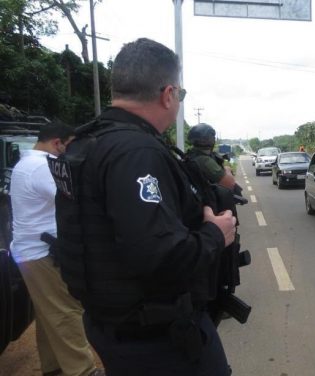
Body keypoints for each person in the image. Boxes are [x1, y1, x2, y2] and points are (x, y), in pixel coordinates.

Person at [52, 38, 236, 375]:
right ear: (168, 95)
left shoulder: (87, 142)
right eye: (179, 96)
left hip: (111, 322)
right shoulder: (136, 153)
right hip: (156, 336)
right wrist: (215, 234)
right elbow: (161, 257)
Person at [10, 123, 103, 376]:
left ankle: (55, 367)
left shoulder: (25, 163)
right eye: (68, 146)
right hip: (42, 252)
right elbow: (72, 201)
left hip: (31, 252)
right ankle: (82, 371)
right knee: (67, 311)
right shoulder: (42, 166)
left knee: (48, 312)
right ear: (57, 143)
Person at [186, 123, 236, 190]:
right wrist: (227, 169)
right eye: (212, 136)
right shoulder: (205, 160)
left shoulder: (191, 155)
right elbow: (230, 183)